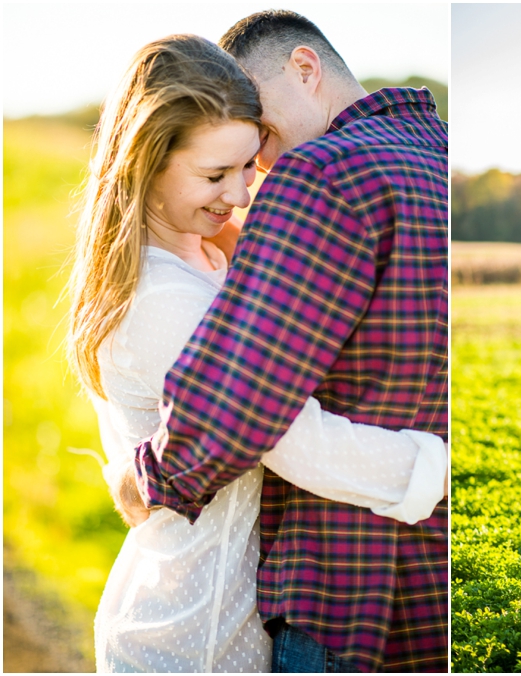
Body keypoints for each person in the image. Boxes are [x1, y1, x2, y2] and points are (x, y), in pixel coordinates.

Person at [67, 35, 447, 673]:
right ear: (145, 165)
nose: (242, 193)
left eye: (250, 166)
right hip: (191, 633)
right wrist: (440, 465)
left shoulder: (219, 254)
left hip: (241, 616)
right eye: (216, 175)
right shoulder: (160, 297)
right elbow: (288, 437)